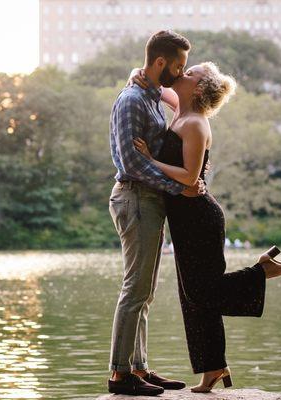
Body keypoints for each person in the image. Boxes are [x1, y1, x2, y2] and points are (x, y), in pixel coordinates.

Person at [132, 61, 281, 393]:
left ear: (198, 87)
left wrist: (149, 159)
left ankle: (262, 271)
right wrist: (137, 74)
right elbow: (156, 85)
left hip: (200, 218)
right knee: (191, 298)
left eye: (189, 73)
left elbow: (190, 177)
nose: (181, 74)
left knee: (201, 292)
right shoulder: (181, 106)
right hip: (184, 215)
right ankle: (213, 368)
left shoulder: (195, 123)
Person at [107, 30, 206, 396]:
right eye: (177, 66)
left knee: (144, 291)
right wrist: (179, 186)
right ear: (160, 62)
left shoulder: (150, 97)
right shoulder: (132, 100)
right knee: (134, 289)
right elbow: (131, 162)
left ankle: (139, 367)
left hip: (150, 200)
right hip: (135, 197)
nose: (180, 74)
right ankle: (119, 375)